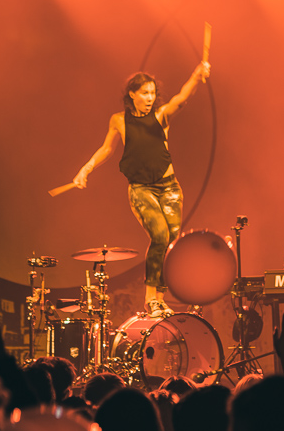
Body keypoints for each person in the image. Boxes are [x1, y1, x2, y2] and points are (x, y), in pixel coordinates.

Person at [73, 62, 210, 316]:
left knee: (171, 243)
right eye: (145, 93)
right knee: (159, 235)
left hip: (169, 188)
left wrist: (196, 76)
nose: (150, 98)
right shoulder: (119, 120)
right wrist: (86, 169)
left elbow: (181, 98)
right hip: (141, 190)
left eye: (153, 93)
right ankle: (150, 298)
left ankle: (161, 298)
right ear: (132, 94)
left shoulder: (161, 116)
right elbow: (107, 149)